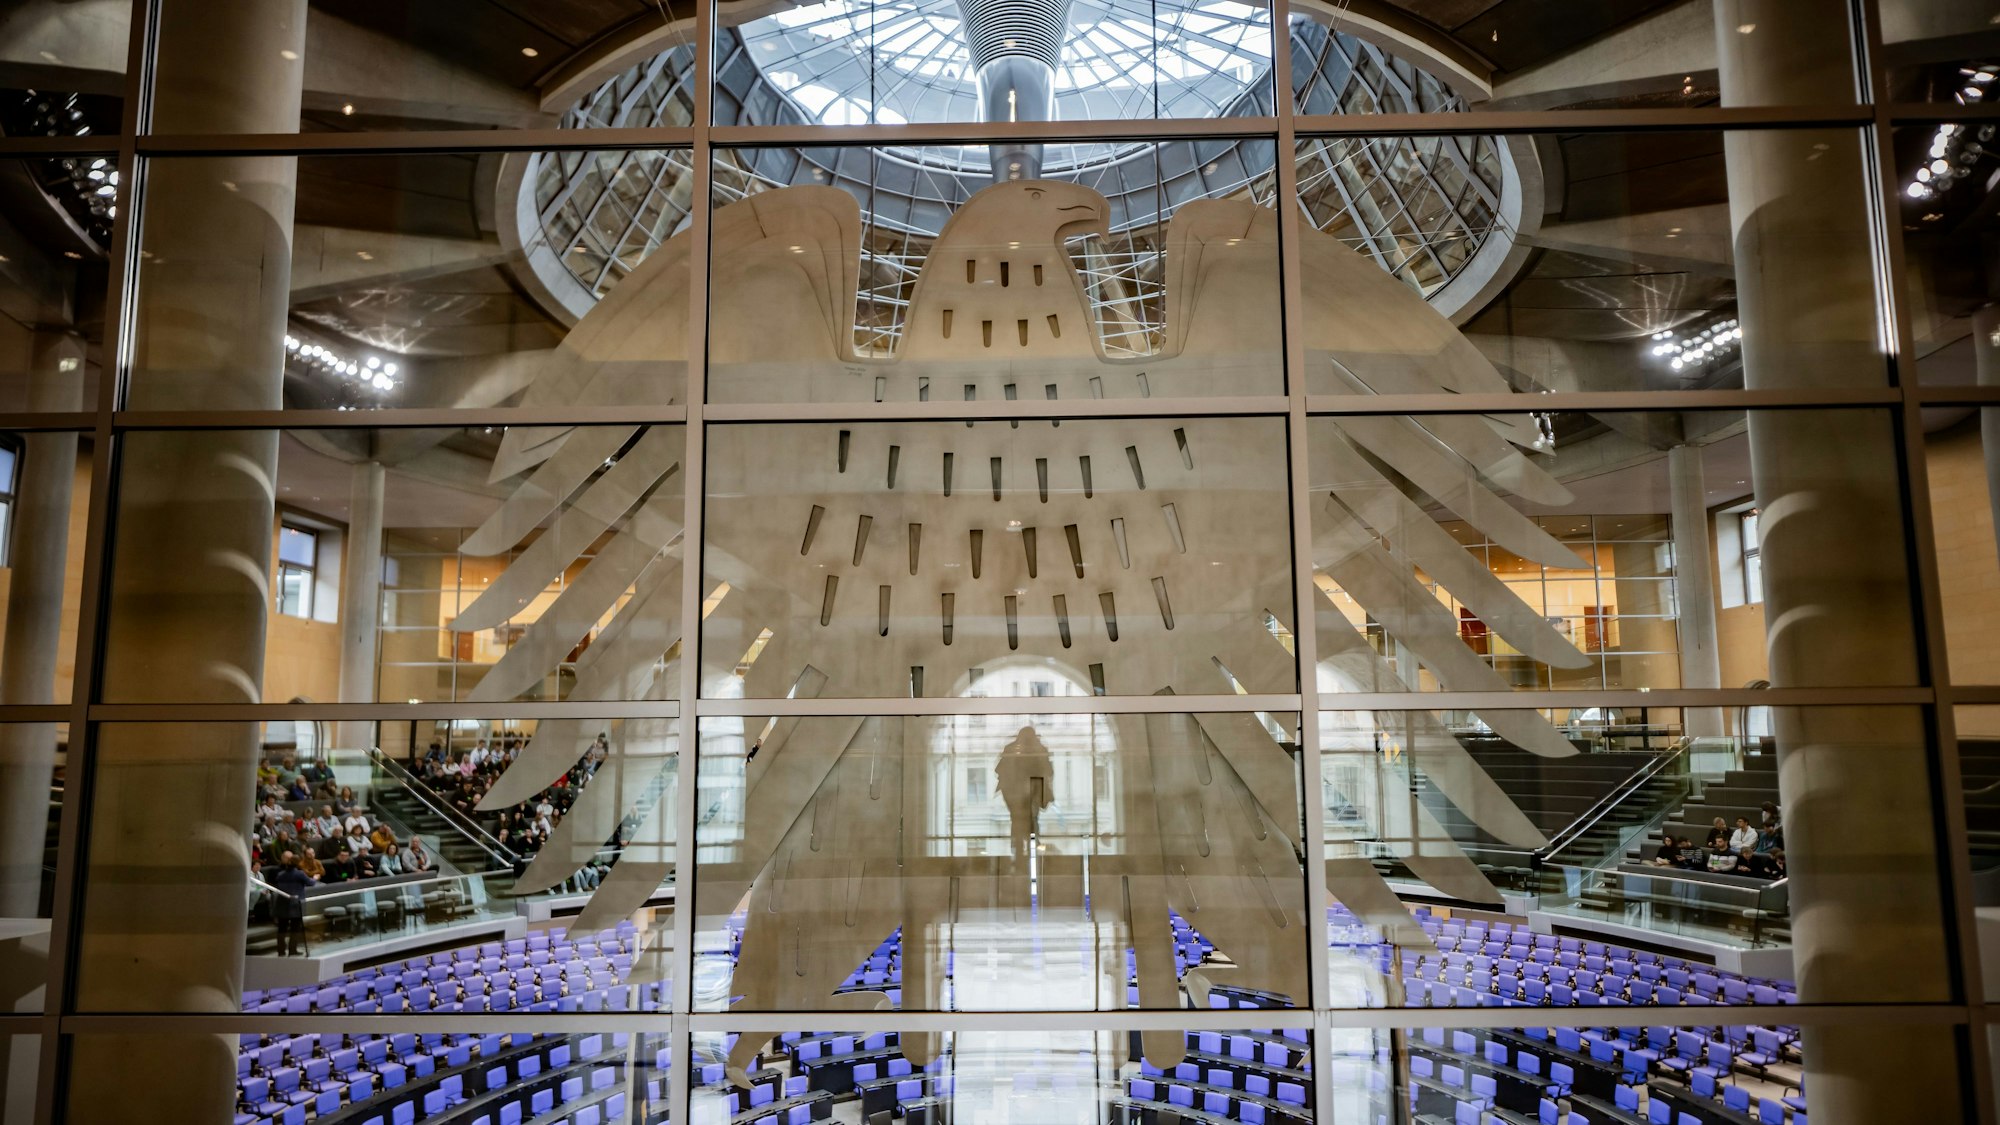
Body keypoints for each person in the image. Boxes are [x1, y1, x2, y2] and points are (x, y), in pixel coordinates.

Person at [995, 725, 1056, 861]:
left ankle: (1020, 850)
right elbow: (1048, 771)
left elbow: (1000, 771)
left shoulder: (1012, 748)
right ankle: (1027, 849)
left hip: (1019, 793)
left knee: (1020, 820)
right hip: (1026, 792)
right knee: (1029, 820)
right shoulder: (1038, 749)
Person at [265, 851, 316, 956]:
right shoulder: (299, 874)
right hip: (295, 905)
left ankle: (281, 951)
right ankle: (292, 950)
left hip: (282, 904)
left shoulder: (281, 874)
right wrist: (315, 878)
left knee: (281, 929)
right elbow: (311, 883)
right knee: (295, 929)